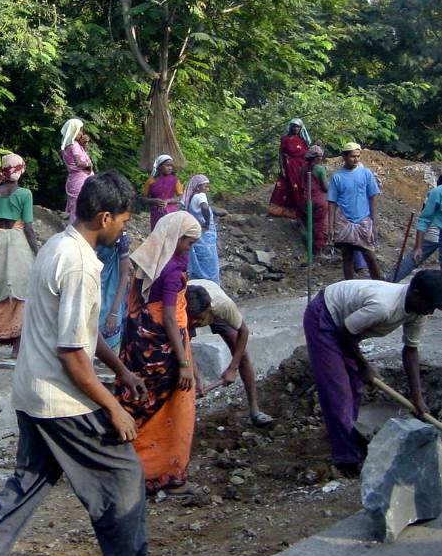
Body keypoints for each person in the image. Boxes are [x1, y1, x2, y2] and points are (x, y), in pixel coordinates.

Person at [0, 172, 151, 556]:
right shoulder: (79, 266)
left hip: (32, 391)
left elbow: (79, 333)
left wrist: (120, 370)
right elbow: (72, 353)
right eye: (124, 221)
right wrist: (113, 408)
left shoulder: (58, 245)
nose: (125, 229)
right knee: (123, 475)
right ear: (105, 217)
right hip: (60, 398)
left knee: (29, 481)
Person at [303, 271, 442, 475]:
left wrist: (417, 397)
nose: (430, 311)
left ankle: (346, 435)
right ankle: (347, 459)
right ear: (416, 294)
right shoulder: (383, 307)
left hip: (348, 329)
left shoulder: (417, 311)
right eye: (429, 305)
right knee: (338, 391)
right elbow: (344, 332)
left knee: (355, 389)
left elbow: (410, 350)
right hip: (325, 316)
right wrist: (365, 366)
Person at [116, 211, 203, 496]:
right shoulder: (172, 272)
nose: (188, 250)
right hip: (165, 349)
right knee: (174, 410)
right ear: (175, 238)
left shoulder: (148, 263)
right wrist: (185, 363)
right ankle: (165, 474)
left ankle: (129, 470)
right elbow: (168, 316)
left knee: (138, 406)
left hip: (140, 345)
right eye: (187, 244)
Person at [185, 281, 273, 427]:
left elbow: (243, 331)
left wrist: (233, 368)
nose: (196, 322)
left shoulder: (222, 306)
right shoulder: (181, 311)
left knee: (242, 355)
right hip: (188, 311)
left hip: (214, 308)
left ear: (209, 310)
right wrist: (197, 379)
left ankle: (255, 411)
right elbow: (186, 349)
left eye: (200, 319)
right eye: (193, 319)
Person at [0, 154, 39, 358]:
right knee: (19, 290)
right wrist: (37, 251)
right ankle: (16, 345)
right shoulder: (25, 194)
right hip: (18, 242)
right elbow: (29, 228)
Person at [327, 142, 383, 280]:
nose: (356, 159)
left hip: (363, 219)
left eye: (358, 156)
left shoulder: (366, 173)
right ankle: (349, 285)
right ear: (344, 157)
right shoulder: (337, 177)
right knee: (347, 255)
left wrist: (374, 220)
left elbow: (373, 196)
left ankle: (380, 284)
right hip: (344, 220)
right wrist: (330, 225)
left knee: (370, 255)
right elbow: (332, 202)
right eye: (352, 156)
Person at [391, 175, 442, 282]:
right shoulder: (437, 193)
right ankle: (390, 281)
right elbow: (425, 219)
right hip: (435, 229)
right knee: (416, 256)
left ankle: (390, 280)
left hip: (433, 229)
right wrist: (418, 246)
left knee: (415, 257)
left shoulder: (435, 193)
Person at [268, 118, 311, 219]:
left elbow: (308, 155)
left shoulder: (303, 140)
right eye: (293, 126)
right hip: (288, 167)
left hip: (300, 168)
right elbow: (280, 154)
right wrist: (282, 168)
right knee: (283, 187)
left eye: (297, 127)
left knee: (299, 189)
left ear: (301, 128)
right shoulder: (285, 139)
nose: (295, 128)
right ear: (290, 127)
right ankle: (279, 210)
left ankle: (297, 212)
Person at [183, 174, 221, 285]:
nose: (207, 189)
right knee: (209, 263)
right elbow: (204, 207)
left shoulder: (192, 198)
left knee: (197, 262)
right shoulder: (200, 196)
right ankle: (211, 287)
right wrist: (207, 223)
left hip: (197, 236)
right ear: (198, 187)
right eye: (205, 186)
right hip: (205, 237)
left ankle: (197, 284)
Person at [96, 231, 130, 352]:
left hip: (111, 297)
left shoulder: (120, 238)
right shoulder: (89, 231)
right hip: (90, 291)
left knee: (108, 354)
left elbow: (124, 274)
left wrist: (114, 312)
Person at [59, 118, 94, 223]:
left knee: (76, 205)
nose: (81, 133)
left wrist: (84, 145)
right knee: (79, 206)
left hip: (75, 179)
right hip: (80, 179)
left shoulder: (67, 146)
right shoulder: (74, 145)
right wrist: (89, 165)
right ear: (74, 131)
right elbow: (79, 162)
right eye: (80, 130)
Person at [299, 145, 329, 254]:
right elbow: (325, 187)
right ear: (315, 157)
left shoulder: (303, 168)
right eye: (320, 156)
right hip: (318, 200)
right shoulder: (319, 169)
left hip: (305, 199)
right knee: (320, 225)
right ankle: (318, 250)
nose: (321, 158)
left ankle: (309, 247)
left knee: (309, 224)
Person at [142, 154, 183, 229]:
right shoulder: (151, 182)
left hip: (171, 212)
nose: (170, 168)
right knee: (157, 233)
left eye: (171, 166)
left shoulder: (175, 180)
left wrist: (168, 201)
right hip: (156, 213)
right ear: (160, 166)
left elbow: (180, 197)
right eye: (167, 165)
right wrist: (154, 201)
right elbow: (143, 199)